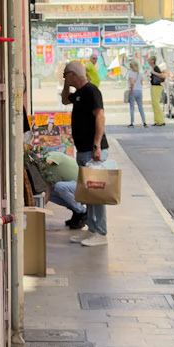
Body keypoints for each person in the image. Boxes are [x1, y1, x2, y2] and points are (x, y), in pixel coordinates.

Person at [61, 59, 108, 245]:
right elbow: (65, 100)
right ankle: (91, 229)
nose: (64, 78)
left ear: (73, 75)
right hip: (82, 150)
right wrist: (66, 85)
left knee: (96, 193)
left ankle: (101, 232)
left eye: (65, 75)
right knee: (88, 193)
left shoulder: (91, 91)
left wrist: (96, 145)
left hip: (92, 150)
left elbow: (100, 116)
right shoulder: (79, 93)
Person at [125, 60, 147, 128]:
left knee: (132, 107)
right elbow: (141, 82)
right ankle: (144, 122)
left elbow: (132, 83)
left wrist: (131, 91)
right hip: (139, 91)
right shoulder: (140, 73)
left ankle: (132, 122)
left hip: (133, 91)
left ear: (131, 66)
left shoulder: (130, 73)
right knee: (140, 107)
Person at [148, 57, 166, 127]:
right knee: (154, 104)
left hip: (157, 87)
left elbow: (162, 75)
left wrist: (153, 73)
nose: (148, 61)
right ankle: (157, 121)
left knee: (156, 104)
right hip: (153, 86)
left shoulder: (156, 68)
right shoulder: (153, 67)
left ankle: (161, 121)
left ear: (153, 61)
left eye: (149, 60)